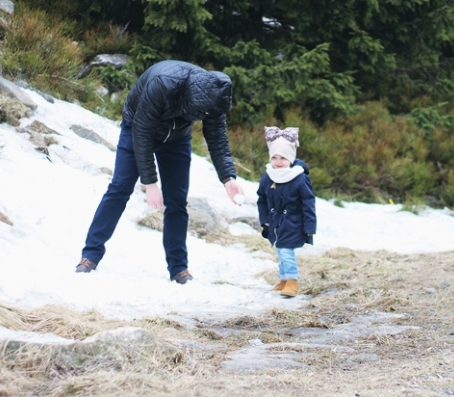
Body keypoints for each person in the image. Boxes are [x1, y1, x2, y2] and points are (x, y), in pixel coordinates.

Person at [75, 60, 244, 283]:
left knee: (177, 201)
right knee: (119, 188)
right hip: (137, 129)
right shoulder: (163, 83)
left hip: (176, 139)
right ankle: (90, 255)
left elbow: (217, 139)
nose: (204, 115)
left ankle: (178, 269)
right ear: (192, 96)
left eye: (207, 113)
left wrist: (228, 177)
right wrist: (150, 183)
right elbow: (142, 132)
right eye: (201, 111)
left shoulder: (215, 97)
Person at [256, 126, 317, 297]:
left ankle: (292, 281)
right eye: (274, 157)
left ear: (290, 157)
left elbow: (308, 203)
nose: (278, 162)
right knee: (279, 250)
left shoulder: (299, 177)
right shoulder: (268, 176)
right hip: (275, 222)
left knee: (286, 250)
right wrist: (265, 219)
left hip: (293, 222)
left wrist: (309, 228)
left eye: (283, 157)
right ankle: (283, 279)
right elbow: (261, 198)